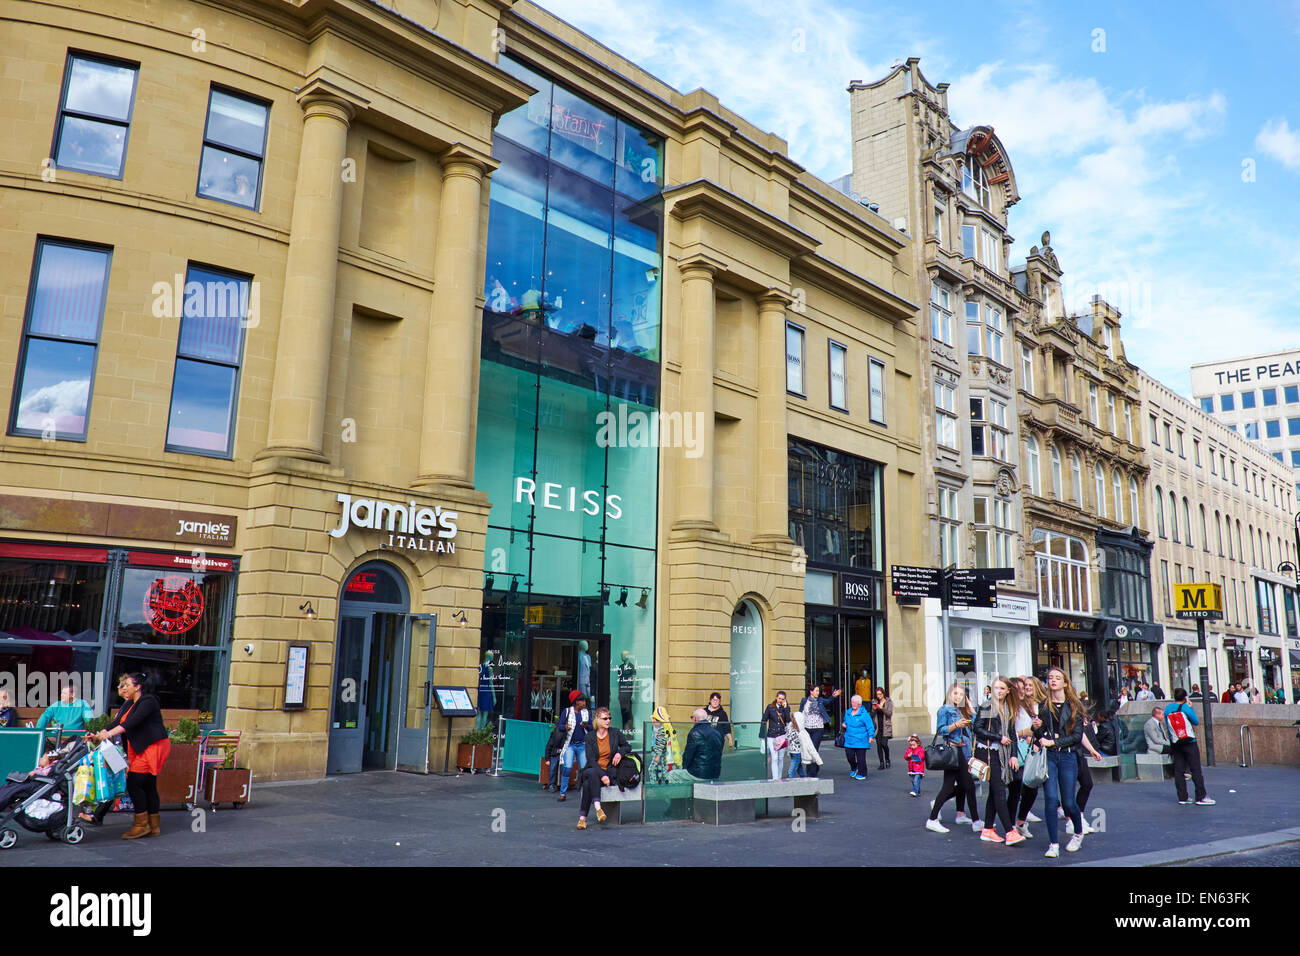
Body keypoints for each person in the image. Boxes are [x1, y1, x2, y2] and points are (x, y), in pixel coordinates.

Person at [92, 672, 170, 839]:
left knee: (135, 783)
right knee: (149, 784)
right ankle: (153, 825)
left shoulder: (148, 701)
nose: (123, 688)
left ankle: (141, 825)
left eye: (127, 685)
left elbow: (130, 723)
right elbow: (117, 722)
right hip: (139, 747)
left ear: (138, 687)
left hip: (152, 746)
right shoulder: (129, 703)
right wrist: (99, 734)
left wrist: (109, 734)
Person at [1035, 666, 1087, 858]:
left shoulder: (1075, 706)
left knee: (1068, 802)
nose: (1053, 680)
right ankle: (1053, 844)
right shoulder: (1043, 705)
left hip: (1067, 756)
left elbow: (1076, 736)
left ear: (1065, 683)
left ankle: (1078, 832)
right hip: (1049, 756)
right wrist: (1037, 729)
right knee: (1050, 799)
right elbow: (1039, 735)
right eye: (1050, 678)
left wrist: (1053, 741)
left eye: (1058, 678)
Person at [972, 676, 1026, 845]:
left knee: (996, 792)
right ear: (992, 689)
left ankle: (988, 829)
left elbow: (1012, 734)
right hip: (988, 752)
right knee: (1000, 791)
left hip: (1003, 753)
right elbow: (977, 728)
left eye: (1003, 688)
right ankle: (1010, 831)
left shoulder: (1008, 707)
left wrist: (1014, 755)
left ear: (1008, 690)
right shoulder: (988, 706)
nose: (999, 691)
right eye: (997, 688)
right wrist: (998, 737)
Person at [925, 684, 979, 835]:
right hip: (953, 750)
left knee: (963, 786)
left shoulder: (960, 710)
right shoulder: (945, 710)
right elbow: (941, 730)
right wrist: (955, 725)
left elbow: (976, 726)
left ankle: (967, 818)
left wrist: (971, 709)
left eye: (961, 694)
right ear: (949, 694)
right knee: (966, 786)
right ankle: (975, 821)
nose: (958, 697)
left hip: (963, 751)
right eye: (956, 693)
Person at [575, 707, 631, 829]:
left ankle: (582, 819)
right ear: (597, 720)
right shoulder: (590, 737)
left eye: (609, 718)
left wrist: (619, 753)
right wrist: (603, 776)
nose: (608, 720)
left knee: (587, 784)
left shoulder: (615, 733)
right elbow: (591, 760)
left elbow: (627, 746)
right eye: (605, 718)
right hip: (594, 770)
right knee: (592, 772)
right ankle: (598, 808)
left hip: (609, 771)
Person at [1164, 689, 1215, 806]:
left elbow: (1168, 725)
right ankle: (1200, 796)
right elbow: (1195, 721)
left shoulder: (1167, 709)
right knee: (1195, 769)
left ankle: (1183, 797)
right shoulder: (1185, 708)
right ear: (1185, 697)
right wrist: (1189, 707)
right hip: (1189, 741)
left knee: (1179, 770)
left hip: (1176, 741)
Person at [1010, 676, 1045, 840]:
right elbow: (1007, 733)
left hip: (1029, 751)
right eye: (1018, 689)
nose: (1022, 691)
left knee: (1031, 788)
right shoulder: (1010, 709)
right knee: (1015, 789)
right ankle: (1010, 826)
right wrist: (1023, 733)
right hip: (1014, 752)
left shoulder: (1026, 706)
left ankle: (1020, 821)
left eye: (1023, 688)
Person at [667, 708, 723, 783]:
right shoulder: (717, 732)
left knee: (672, 774)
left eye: (692, 717)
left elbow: (688, 755)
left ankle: (678, 794)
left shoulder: (695, 732)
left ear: (695, 719)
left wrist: (685, 767)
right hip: (715, 773)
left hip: (699, 773)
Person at [555, 691, 591, 802]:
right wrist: (565, 727)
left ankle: (585, 792)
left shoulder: (586, 712)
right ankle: (562, 793)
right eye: (582, 700)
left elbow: (591, 728)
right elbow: (559, 726)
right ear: (576, 702)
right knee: (567, 768)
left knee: (584, 769)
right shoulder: (567, 711)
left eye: (584, 700)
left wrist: (587, 726)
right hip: (569, 744)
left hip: (582, 744)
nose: (584, 703)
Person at [799, 684, 840, 777]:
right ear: (811, 692)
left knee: (813, 748)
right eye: (816, 691)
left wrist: (834, 696)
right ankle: (814, 767)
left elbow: (829, 701)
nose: (818, 693)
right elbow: (800, 713)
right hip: (807, 728)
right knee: (809, 749)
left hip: (818, 728)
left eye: (818, 691)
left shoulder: (820, 701)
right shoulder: (804, 701)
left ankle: (811, 772)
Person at [842, 695, 875, 780]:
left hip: (861, 740)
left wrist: (871, 736)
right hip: (849, 739)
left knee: (861, 759)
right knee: (849, 756)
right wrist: (844, 724)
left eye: (855, 702)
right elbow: (845, 721)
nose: (853, 704)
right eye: (852, 702)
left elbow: (870, 726)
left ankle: (862, 773)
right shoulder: (848, 712)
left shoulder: (864, 714)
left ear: (859, 704)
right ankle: (854, 767)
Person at [760, 692, 791, 780]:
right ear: (776, 698)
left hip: (782, 736)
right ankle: (775, 778)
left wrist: (785, 709)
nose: (781, 700)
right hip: (772, 735)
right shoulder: (770, 707)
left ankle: (779, 777)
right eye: (779, 698)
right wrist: (762, 734)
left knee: (781, 758)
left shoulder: (786, 708)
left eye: (783, 699)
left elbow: (788, 720)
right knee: (774, 758)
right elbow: (764, 720)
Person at [646, 706, 675, 785]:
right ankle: (665, 781)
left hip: (659, 753)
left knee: (651, 769)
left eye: (655, 720)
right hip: (661, 752)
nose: (652, 721)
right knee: (663, 768)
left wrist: (657, 755)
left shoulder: (662, 730)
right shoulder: (661, 727)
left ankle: (654, 783)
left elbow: (661, 744)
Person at [872, 687, 894, 769]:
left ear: (883, 694)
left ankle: (887, 759)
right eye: (877, 694)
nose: (878, 696)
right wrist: (874, 709)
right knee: (878, 745)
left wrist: (882, 708)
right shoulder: (875, 702)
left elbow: (889, 713)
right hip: (878, 727)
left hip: (886, 726)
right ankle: (881, 762)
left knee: (884, 744)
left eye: (880, 694)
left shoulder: (888, 702)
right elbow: (872, 715)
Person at [785, 710, 806, 778]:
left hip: (797, 751)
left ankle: (790, 779)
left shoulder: (798, 729)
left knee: (792, 769)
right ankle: (804, 778)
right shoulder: (791, 726)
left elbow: (789, 737)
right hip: (792, 750)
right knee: (799, 768)